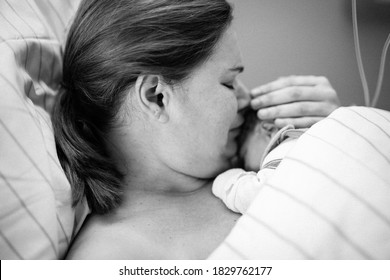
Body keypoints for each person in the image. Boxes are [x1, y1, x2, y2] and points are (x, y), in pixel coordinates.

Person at [52, 0, 340, 259]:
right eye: (228, 83)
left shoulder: (260, 157)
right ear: (157, 97)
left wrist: (339, 134)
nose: (246, 98)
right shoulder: (114, 258)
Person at [212, 109, 307, 214]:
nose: (245, 167)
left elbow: (256, 197)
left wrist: (226, 180)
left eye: (245, 153)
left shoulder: (284, 149)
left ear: (268, 130)